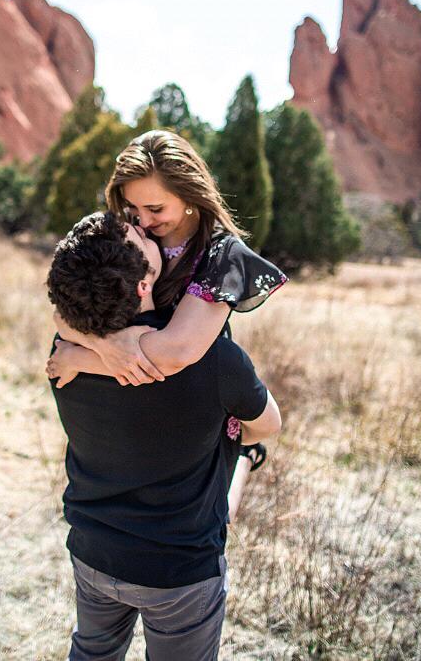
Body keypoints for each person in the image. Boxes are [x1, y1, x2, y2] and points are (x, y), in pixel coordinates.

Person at [46, 211, 281, 660]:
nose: (143, 224)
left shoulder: (66, 353)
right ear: (142, 284)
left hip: (93, 551)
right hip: (178, 573)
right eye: (137, 233)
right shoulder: (214, 360)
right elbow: (269, 423)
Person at [48, 129, 287, 494]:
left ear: (190, 195)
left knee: (204, 510)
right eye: (132, 209)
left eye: (155, 209)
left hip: (193, 397)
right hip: (136, 403)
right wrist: (106, 345)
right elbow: (64, 309)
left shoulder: (221, 256)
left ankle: (242, 456)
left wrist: (84, 357)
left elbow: (177, 352)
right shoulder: (132, 237)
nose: (142, 221)